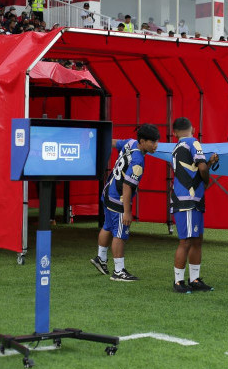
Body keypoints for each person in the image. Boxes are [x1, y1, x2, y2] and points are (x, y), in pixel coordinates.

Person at [90, 124, 160, 281]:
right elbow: (128, 186)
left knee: (107, 226)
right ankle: (119, 271)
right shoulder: (138, 161)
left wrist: (98, 139)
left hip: (108, 192)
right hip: (118, 200)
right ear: (142, 141)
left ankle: (100, 259)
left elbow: (113, 142)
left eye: (157, 141)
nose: (156, 145)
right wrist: (127, 211)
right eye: (153, 142)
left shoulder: (130, 142)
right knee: (120, 234)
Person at [170, 117, 219, 293]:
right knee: (187, 241)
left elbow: (194, 168)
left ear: (174, 133)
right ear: (193, 129)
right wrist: (206, 182)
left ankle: (194, 279)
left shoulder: (177, 147)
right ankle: (178, 282)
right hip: (188, 200)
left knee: (196, 240)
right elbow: (202, 169)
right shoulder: (193, 142)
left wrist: (210, 162)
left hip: (187, 199)